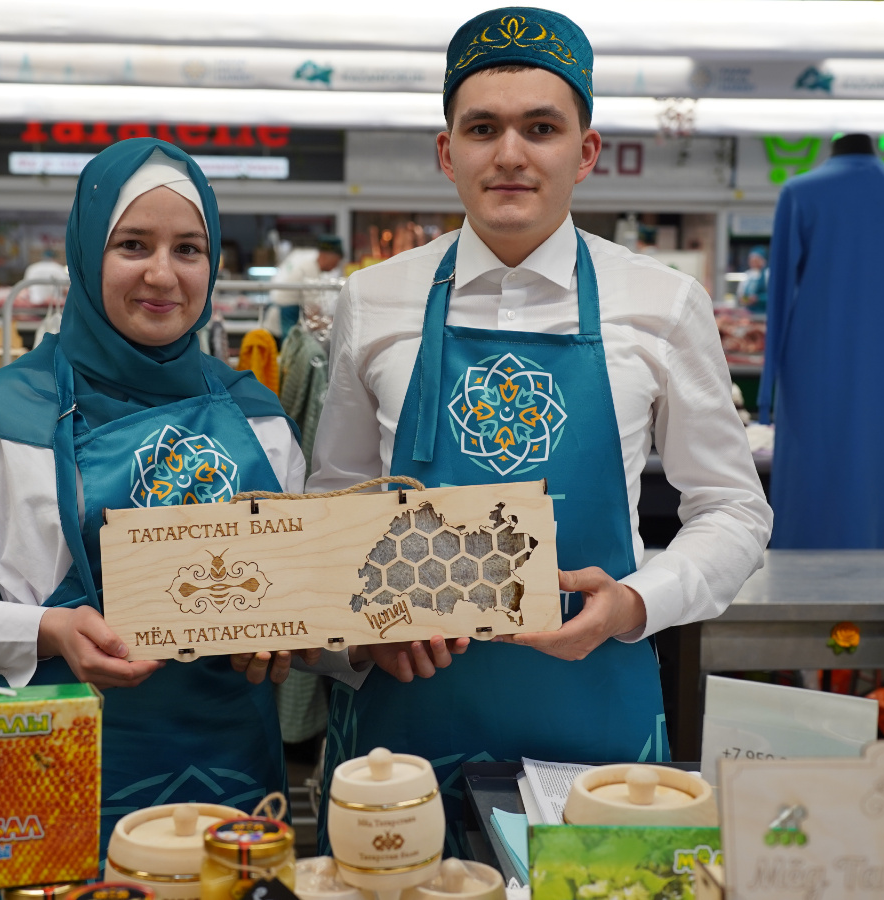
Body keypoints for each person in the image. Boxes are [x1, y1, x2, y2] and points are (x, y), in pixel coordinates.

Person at [307, 7, 772, 852]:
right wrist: (360, 637)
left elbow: (734, 510)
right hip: (400, 730)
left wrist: (636, 602)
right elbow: (333, 503)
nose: (511, 154)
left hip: (595, 721)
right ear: (448, 151)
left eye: (541, 128)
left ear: (585, 152)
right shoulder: (372, 301)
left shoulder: (663, 305)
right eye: (483, 128)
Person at [0, 139, 316, 850]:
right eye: (132, 245)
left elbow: (301, 594)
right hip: (52, 786)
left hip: (233, 789)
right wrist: (47, 630)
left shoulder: (260, 419)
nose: (162, 274)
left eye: (188, 249)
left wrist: (290, 637)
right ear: (84, 252)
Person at [738, 245, 769, 313]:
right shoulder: (747, 275)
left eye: (756, 260)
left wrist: (758, 299)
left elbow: (773, 296)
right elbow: (741, 296)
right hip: (749, 313)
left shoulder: (768, 274)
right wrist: (747, 299)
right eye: (751, 260)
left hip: (764, 313)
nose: (753, 262)